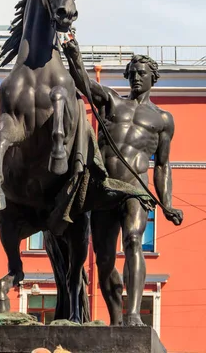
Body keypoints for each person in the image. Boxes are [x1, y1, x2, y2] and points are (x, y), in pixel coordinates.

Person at [63, 39, 183, 327]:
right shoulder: (112, 101)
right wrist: (74, 55)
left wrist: (166, 203)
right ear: (128, 76)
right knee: (103, 260)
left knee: (132, 240)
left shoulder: (163, 119)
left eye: (143, 73)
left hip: (136, 188)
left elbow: (163, 165)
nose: (138, 77)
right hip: (104, 187)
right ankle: (117, 319)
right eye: (134, 73)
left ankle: (133, 316)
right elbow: (85, 85)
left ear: (153, 78)